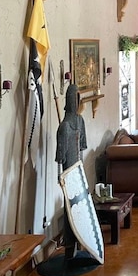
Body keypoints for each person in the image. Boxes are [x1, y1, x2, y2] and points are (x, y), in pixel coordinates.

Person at [55, 83, 87, 260]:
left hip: (77, 170)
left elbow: (81, 147)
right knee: (69, 208)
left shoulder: (80, 121)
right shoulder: (64, 126)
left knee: (80, 206)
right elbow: (60, 156)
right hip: (68, 172)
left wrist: (81, 170)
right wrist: (60, 176)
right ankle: (69, 245)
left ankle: (80, 239)